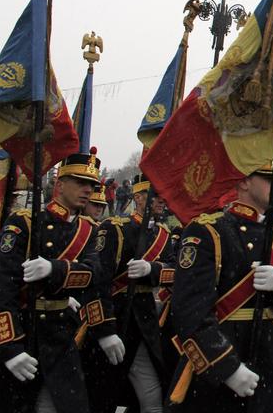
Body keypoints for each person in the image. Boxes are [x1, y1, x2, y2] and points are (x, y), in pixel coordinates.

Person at [167, 161, 273, 413]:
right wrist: (227, 368)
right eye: (270, 180)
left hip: (272, 360)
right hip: (224, 357)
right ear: (244, 181)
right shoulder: (208, 231)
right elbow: (189, 311)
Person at [0, 151, 102, 413]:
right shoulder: (24, 222)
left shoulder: (88, 230)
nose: (88, 190)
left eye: (91, 185)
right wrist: (9, 347)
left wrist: (54, 269)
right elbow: (0, 289)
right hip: (26, 330)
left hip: (61, 336)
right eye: (80, 183)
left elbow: (93, 274)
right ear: (59, 184)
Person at [86, 173, 176, 413]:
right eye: (155, 196)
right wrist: (104, 329)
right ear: (138, 197)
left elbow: (176, 271)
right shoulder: (115, 229)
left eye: (163, 196)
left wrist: (153, 269)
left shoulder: (164, 234)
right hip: (116, 316)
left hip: (145, 322)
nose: (161, 201)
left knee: (153, 394)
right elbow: (98, 282)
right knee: (102, 390)